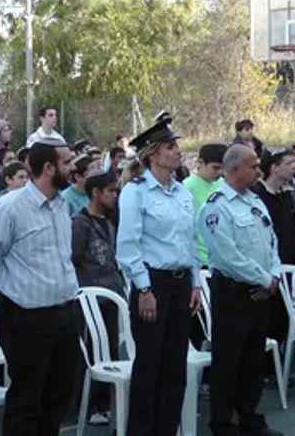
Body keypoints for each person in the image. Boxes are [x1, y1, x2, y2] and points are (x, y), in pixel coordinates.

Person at [0, 137, 81, 436]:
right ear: (49, 168)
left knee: (60, 395)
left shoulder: (61, 204)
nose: (73, 168)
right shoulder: (10, 207)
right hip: (27, 318)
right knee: (27, 400)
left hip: (66, 312)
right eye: (66, 163)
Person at [116, 120, 202, 436]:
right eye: (169, 147)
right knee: (149, 366)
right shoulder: (136, 192)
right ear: (152, 154)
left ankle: (167, 430)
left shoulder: (181, 192)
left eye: (175, 146)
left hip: (180, 283)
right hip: (152, 282)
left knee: (174, 366)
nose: (177, 152)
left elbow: (190, 241)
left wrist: (194, 283)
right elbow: (127, 246)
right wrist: (144, 288)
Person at [198, 144, 284, 436]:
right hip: (234, 293)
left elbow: (272, 242)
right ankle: (223, 424)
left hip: (261, 293)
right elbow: (226, 256)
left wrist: (272, 277)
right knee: (228, 363)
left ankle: (250, 418)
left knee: (253, 362)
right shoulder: (216, 204)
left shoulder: (255, 201)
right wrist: (263, 279)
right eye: (253, 165)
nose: (258, 170)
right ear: (234, 168)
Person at [70, 168, 124, 425]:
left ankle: (106, 402)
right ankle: (90, 405)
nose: (115, 195)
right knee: (92, 352)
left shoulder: (109, 220)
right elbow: (73, 260)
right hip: (91, 299)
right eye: (111, 191)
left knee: (111, 350)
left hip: (112, 294)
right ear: (96, 192)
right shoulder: (80, 224)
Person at [251, 149, 295, 385]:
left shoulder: (286, 194)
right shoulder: (258, 194)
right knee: (269, 318)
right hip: (268, 266)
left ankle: (277, 367)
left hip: (289, 264)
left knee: (284, 318)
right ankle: (263, 370)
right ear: (274, 167)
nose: (294, 167)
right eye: (289, 163)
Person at [183, 142, 227, 267]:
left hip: (223, 258)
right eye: (215, 168)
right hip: (201, 259)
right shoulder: (186, 187)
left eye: (222, 168)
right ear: (201, 162)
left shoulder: (224, 184)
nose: (219, 172)